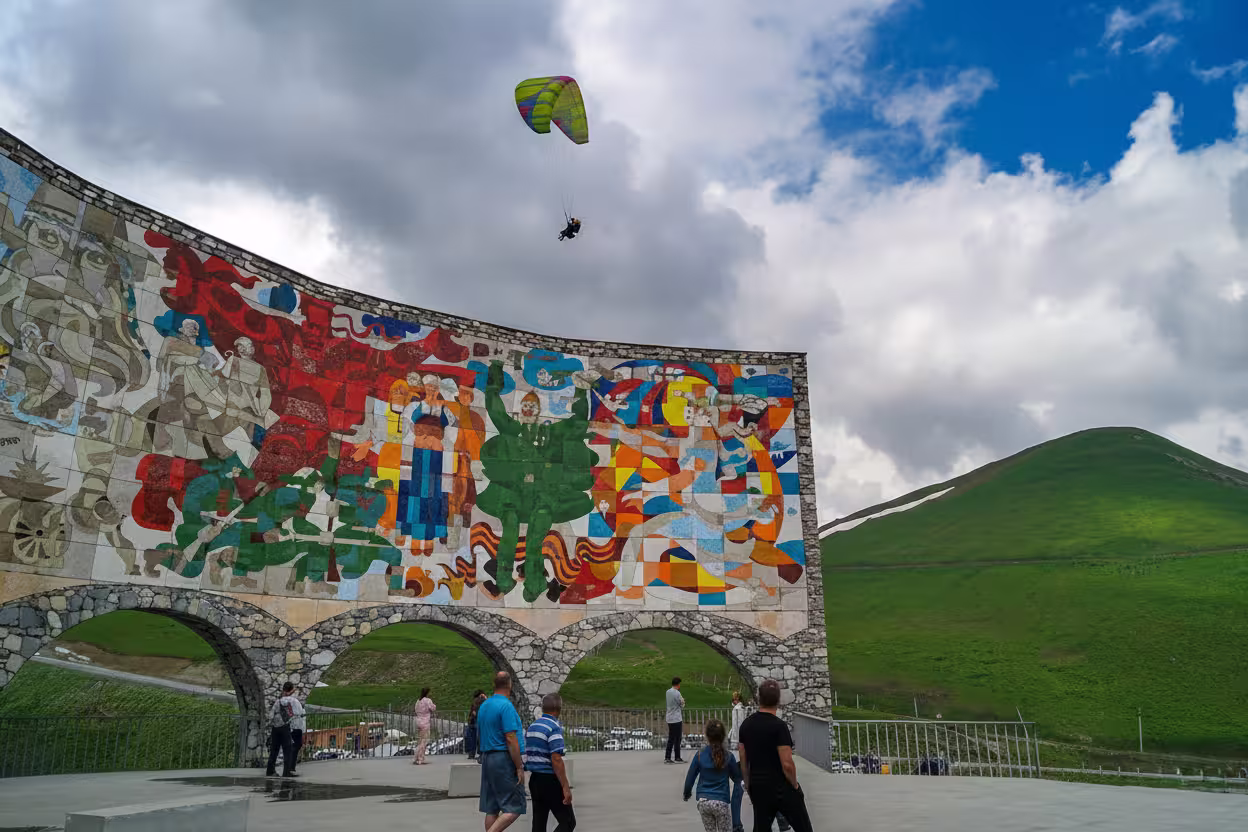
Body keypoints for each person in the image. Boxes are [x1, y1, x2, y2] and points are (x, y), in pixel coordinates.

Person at [737, 679, 812, 832]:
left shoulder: (746, 725)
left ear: (759, 699)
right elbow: (787, 764)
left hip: (758, 786)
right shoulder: (779, 727)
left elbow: (744, 762)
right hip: (781, 786)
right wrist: (795, 786)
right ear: (778, 700)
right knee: (803, 827)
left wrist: (748, 785)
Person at [477, 671, 527, 832]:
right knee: (514, 806)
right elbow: (511, 738)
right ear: (509, 685)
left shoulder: (485, 705)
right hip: (503, 759)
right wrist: (519, 766)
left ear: (494, 684)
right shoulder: (506, 706)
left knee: (492, 807)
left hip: (487, 758)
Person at [525, 693, 576, 832]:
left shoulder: (533, 726)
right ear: (559, 708)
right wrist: (565, 786)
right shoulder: (554, 728)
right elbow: (556, 759)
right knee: (568, 822)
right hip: (550, 780)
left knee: (538, 824)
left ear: (543, 708)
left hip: (535, 779)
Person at [683, 719, 744, 832]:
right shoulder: (728, 756)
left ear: (707, 735)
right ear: (723, 736)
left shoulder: (700, 754)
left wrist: (686, 794)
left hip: (703, 802)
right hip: (721, 801)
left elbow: (690, 778)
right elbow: (737, 779)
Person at [265, 681, 303, 778]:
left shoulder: (278, 701)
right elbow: (298, 714)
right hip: (287, 727)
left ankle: (270, 770)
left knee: (274, 750)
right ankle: (286, 772)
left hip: (276, 728)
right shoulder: (294, 701)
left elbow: (271, 715)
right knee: (288, 750)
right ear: (292, 689)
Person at [665, 677, 686, 764]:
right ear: (678, 684)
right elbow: (681, 703)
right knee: (677, 738)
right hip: (676, 718)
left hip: (669, 717)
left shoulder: (667, 692)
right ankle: (677, 757)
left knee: (671, 738)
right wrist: (683, 702)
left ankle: (668, 756)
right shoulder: (677, 693)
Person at [414, 687, 436, 765]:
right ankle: (420, 758)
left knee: (420, 740)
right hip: (425, 722)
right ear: (427, 693)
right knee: (424, 740)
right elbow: (433, 708)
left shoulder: (418, 701)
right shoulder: (427, 700)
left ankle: (416, 757)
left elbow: (416, 710)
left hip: (418, 721)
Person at [466, 688, 486, 761]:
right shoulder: (483, 700)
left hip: (473, 721)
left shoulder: (475, 701)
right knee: (479, 738)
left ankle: (471, 753)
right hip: (479, 720)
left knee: (472, 738)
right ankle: (481, 754)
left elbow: (472, 711)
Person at [290, 693, 306, 773]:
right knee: (296, 747)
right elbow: (302, 721)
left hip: (295, 728)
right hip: (296, 728)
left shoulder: (296, 706)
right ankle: (291, 766)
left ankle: (291, 766)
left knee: (295, 746)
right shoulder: (300, 708)